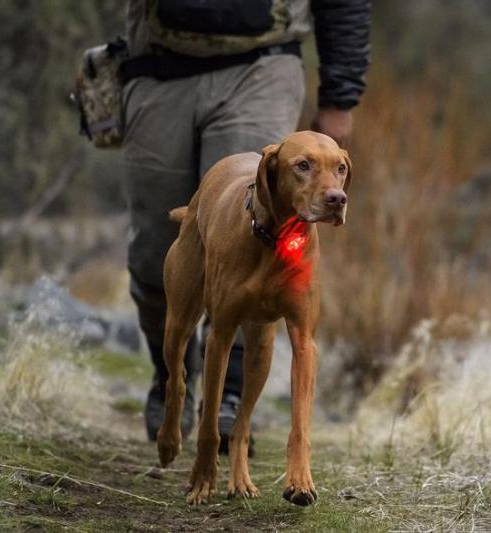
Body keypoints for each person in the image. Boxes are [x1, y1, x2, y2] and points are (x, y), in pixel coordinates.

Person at [120, 0, 370, 450]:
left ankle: (232, 398)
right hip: (158, 62)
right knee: (159, 244)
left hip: (262, 63)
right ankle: (171, 375)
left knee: (260, 233)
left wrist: (340, 95)